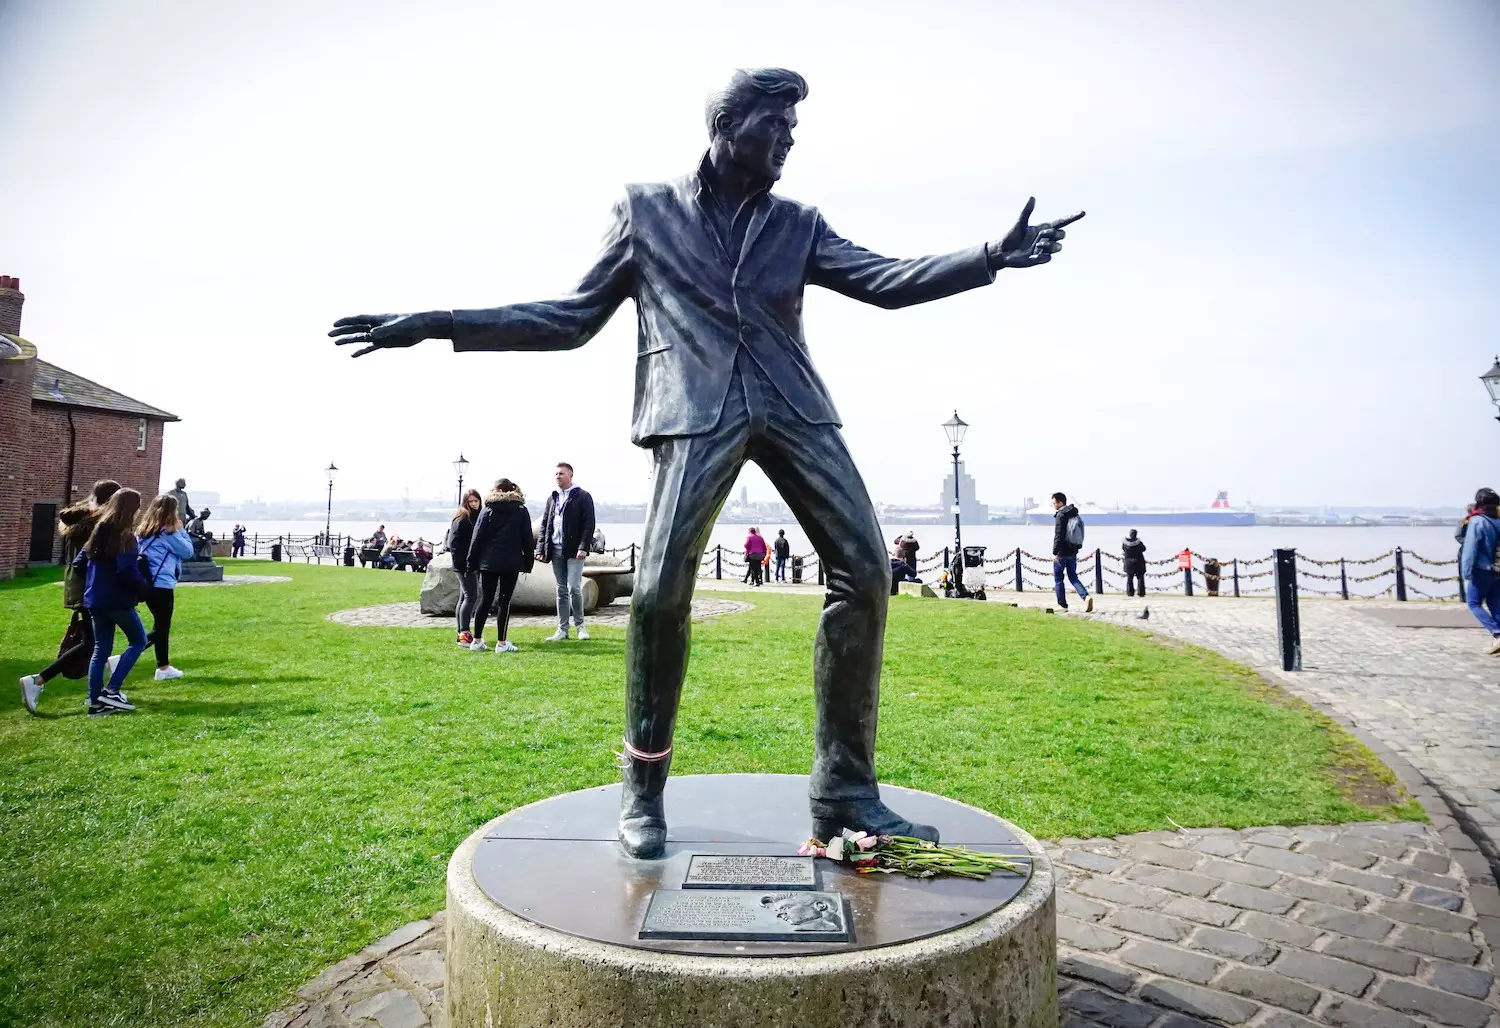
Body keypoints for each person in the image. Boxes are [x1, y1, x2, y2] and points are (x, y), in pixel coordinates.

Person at [329, 66, 1083, 857]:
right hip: (693, 413)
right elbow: (571, 318)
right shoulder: (646, 212)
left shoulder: (799, 224)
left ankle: (844, 793)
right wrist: (439, 322)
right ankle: (643, 790)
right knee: (658, 596)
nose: (789, 141)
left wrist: (990, 254)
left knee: (865, 572)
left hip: (794, 408)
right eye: (775, 126)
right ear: (727, 126)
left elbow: (885, 281)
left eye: (794, 129)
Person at [19, 479, 120, 714]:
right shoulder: (98, 525)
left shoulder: (83, 521)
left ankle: (99, 689)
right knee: (92, 643)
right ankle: (39, 680)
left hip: (82, 586)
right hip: (91, 588)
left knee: (95, 641)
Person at [82, 488, 151, 715]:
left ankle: (95, 702)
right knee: (138, 640)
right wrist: (144, 588)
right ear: (132, 509)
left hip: (95, 598)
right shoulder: (125, 537)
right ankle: (112, 690)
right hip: (117, 600)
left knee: (100, 648)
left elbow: (81, 562)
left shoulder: (98, 531)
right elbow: (127, 570)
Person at [466, 479, 535, 652]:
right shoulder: (521, 510)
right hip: (511, 562)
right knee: (505, 601)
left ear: (498, 490)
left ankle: (477, 640)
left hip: (488, 562)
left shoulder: (487, 510)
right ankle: (502, 643)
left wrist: (471, 562)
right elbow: (527, 539)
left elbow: (477, 538)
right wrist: (528, 563)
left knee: (485, 600)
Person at [135, 494, 195, 680]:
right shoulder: (168, 533)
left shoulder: (143, 531)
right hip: (162, 584)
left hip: (147, 583)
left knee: (160, 625)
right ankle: (125, 657)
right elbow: (188, 551)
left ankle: (163, 667)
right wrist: (181, 530)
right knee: (162, 628)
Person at [535, 463, 595, 642]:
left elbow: (589, 523)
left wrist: (583, 547)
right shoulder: (552, 498)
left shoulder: (582, 496)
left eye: (561, 473)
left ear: (570, 475)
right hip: (556, 549)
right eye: (556, 474)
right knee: (560, 589)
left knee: (574, 588)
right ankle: (562, 629)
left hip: (574, 550)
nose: (558, 477)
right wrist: (541, 548)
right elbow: (545, 524)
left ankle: (580, 627)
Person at [1459, 487, 1500, 654]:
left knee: (1473, 603)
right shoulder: (1498, 520)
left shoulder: (1477, 521)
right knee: (1495, 604)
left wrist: (1466, 572)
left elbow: (1470, 549)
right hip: (1498, 569)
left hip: (1482, 570)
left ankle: (1497, 633)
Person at [448, 489, 482, 646]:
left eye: (476, 501)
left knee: (464, 598)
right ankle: (464, 634)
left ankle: (461, 633)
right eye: (471, 501)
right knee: (470, 597)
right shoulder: (463, 518)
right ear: (465, 502)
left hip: (465, 564)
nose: (474, 504)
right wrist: (466, 564)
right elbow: (454, 544)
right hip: (465, 565)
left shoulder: (470, 516)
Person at [1051, 492, 1092, 612]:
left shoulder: (1061, 515)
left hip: (1062, 552)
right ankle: (1086, 597)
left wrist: (1055, 552)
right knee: (1073, 576)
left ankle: (1062, 605)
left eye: (1054, 503)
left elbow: (1059, 535)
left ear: (1060, 503)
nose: (1053, 505)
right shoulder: (1074, 513)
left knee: (1059, 578)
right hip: (1073, 550)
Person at [1122, 529, 1147, 598]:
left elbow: (1123, 549)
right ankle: (1141, 592)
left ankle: (1130, 592)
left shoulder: (1125, 543)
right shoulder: (1139, 543)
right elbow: (1144, 549)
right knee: (1140, 578)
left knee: (1129, 578)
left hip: (1128, 563)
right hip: (1139, 562)